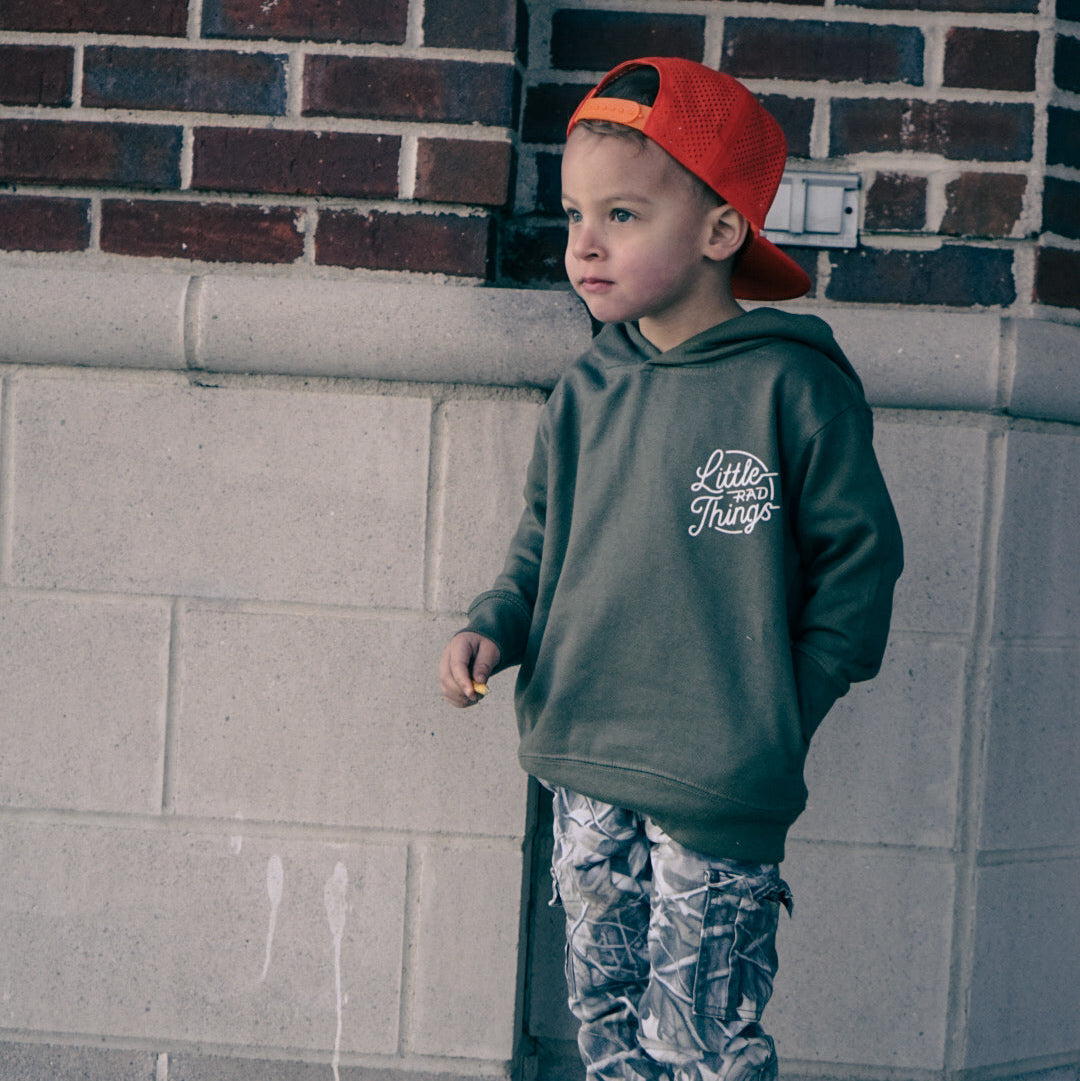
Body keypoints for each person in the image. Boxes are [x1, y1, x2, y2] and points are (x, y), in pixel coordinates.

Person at [439, 57, 903, 1081]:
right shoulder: (589, 386)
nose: (584, 244)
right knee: (604, 1022)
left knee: (701, 1038)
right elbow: (542, 541)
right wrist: (494, 625)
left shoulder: (793, 387)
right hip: (584, 758)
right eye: (574, 215)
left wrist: (780, 709)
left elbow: (858, 571)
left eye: (622, 215)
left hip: (719, 779)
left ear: (719, 230)